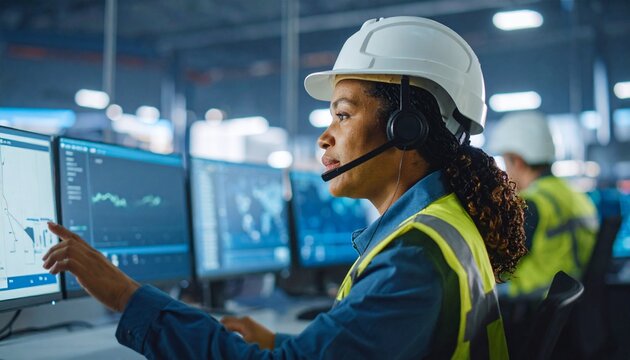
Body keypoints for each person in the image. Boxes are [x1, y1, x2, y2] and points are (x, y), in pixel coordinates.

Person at [43, 16, 526, 359]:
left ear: (406, 128)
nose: (325, 136)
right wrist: (281, 343)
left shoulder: (414, 258)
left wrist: (127, 296)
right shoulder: (444, 226)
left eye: (342, 114)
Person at [488, 111, 599, 298]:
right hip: (570, 301)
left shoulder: (532, 203)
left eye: (506, 162)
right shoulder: (577, 196)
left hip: (533, 303)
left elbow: (501, 263)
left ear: (518, 161)